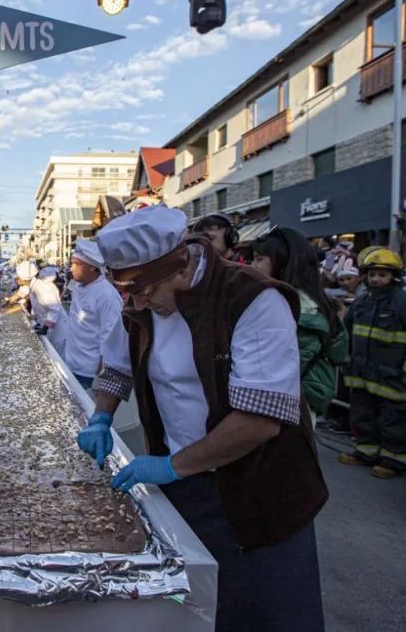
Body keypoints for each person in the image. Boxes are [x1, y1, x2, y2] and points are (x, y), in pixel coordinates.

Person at [79, 205, 328, 632]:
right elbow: (117, 366)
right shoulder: (142, 304)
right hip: (185, 483)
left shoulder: (252, 298)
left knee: (261, 611)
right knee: (192, 606)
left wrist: (173, 465)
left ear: (177, 268)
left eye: (144, 290)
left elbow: (259, 420)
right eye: (129, 293)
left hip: (259, 489)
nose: (137, 303)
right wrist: (100, 416)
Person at [340, 248, 406, 477]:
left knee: (393, 419)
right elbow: (347, 333)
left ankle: (395, 460)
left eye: (382, 274)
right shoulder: (362, 302)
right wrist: (345, 360)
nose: (376, 279)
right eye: (372, 274)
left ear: (394, 276)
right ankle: (366, 451)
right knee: (363, 414)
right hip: (363, 373)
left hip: (395, 374)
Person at [250, 227, 349, 430]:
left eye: (259, 259)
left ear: (282, 264)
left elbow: (279, 373)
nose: (252, 266)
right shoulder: (286, 301)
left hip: (286, 416)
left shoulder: (302, 310)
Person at [64, 239, 123, 393]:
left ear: (92, 267)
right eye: (72, 263)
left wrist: (103, 376)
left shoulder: (107, 295)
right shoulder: (78, 286)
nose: (71, 268)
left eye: (78, 264)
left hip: (89, 370)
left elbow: (111, 338)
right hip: (70, 361)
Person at [13, 260, 68, 354]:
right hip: (50, 327)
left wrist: (45, 328)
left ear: (24, 278)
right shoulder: (32, 286)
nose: (15, 279)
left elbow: (54, 309)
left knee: (58, 356)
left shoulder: (41, 287)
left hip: (58, 329)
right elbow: (43, 308)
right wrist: (34, 316)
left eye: (17, 276)